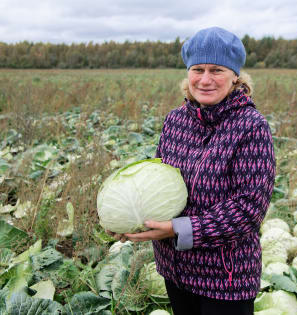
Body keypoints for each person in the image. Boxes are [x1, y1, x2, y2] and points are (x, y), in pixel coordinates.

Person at [113, 27, 276, 315]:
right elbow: (155, 180)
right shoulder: (176, 120)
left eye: (217, 70)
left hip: (225, 278)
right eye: (197, 69)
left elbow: (247, 210)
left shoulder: (251, 126)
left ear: (235, 75)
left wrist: (178, 229)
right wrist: (128, 217)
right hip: (174, 269)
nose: (205, 79)